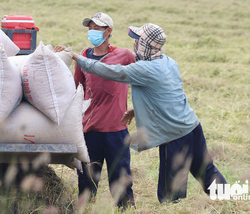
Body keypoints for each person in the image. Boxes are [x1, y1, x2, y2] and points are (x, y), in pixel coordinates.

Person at [64, 23, 227, 203]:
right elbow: (168, 95)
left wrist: (77, 57)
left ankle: (173, 209)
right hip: (192, 126)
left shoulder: (144, 69)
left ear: (145, 45)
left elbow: (110, 71)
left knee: (170, 192)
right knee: (205, 169)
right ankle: (230, 201)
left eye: (138, 40)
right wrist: (136, 110)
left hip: (175, 135)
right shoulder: (168, 61)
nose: (135, 44)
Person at [55, 12, 135, 207]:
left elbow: (144, 79)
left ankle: (126, 210)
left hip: (116, 129)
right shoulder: (83, 56)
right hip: (90, 130)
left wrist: (136, 107)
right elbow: (76, 89)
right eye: (90, 28)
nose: (92, 32)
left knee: (121, 178)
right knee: (87, 181)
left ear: (108, 31)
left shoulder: (125, 56)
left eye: (97, 28)